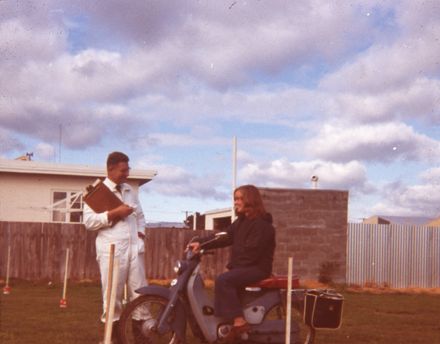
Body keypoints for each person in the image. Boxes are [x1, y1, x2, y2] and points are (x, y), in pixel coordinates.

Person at [188, 184, 276, 341]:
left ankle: (239, 322)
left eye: (239, 199)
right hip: (247, 266)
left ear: (250, 200)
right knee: (225, 279)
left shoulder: (262, 225)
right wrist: (200, 243)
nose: (236, 202)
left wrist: (233, 269)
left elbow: (252, 253)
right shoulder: (241, 222)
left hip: (258, 268)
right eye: (235, 199)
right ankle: (229, 322)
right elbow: (224, 236)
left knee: (224, 280)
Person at [83, 151, 149, 344]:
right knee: (113, 295)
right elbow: (89, 222)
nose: (127, 173)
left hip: (134, 249)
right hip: (111, 250)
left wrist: (140, 236)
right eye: (123, 170)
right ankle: (112, 338)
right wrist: (114, 213)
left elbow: (141, 217)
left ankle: (141, 335)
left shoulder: (129, 190)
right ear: (110, 169)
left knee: (140, 291)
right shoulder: (95, 192)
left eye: (128, 169)